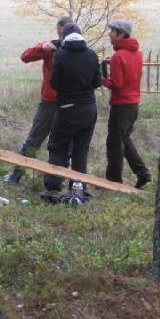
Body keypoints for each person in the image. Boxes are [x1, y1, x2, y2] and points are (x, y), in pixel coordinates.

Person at [5, 16, 74, 184]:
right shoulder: (50, 47)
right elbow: (25, 57)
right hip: (49, 101)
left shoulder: (78, 50)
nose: (60, 36)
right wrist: (42, 48)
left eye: (63, 33)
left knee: (65, 142)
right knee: (34, 138)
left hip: (69, 103)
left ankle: (59, 177)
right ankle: (17, 174)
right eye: (58, 32)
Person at [42, 23, 102, 197]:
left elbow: (54, 83)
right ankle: (77, 188)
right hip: (88, 109)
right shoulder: (92, 55)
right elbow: (97, 83)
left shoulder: (61, 55)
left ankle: (53, 186)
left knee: (57, 146)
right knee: (80, 150)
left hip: (67, 108)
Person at [102, 20, 151, 188]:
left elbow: (116, 85)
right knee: (124, 139)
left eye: (112, 32)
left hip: (121, 105)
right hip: (133, 104)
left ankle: (113, 181)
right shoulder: (137, 53)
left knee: (114, 144)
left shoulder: (118, 56)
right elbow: (131, 72)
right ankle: (143, 174)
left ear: (121, 34)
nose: (110, 34)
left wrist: (102, 80)